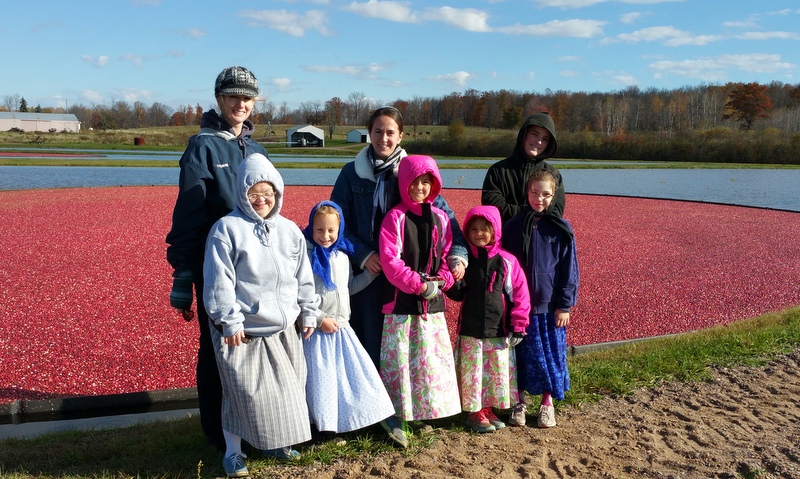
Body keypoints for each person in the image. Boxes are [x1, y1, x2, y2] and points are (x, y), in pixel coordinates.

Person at [165, 66, 268, 452]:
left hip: (255, 267)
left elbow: (269, 210)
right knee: (217, 350)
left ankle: (255, 428)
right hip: (217, 267)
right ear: (220, 99)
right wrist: (183, 271)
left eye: (248, 97)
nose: (241, 103)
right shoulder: (202, 147)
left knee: (255, 345)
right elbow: (189, 213)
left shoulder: (258, 149)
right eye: (233, 96)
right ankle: (216, 434)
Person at [203, 153, 317, 477]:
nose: (262, 199)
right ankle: (233, 453)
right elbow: (218, 280)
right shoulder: (227, 229)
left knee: (289, 393)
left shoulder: (291, 231)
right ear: (243, 194)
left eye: (268, 193)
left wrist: (308, 312)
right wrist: (229, 319)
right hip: (245, 330)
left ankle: (280, 445)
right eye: (255, 194)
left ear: (278, 193)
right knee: (242, 397)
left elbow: (303, 276)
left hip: (283, 329)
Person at [330, 106, 468, 372]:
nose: (384, 138)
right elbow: (337, 223)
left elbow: (447, 219)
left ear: (401, 135)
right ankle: (369, 405)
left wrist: (457, 257)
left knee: (399, 342)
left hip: (406, 275)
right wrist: (363, 254)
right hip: (368, 270)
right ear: (369, 133)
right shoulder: (351, 173)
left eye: (390, 132)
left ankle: (400, 401)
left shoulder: (414, 173)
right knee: (366, 337)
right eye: (378, 131)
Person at [300, 200, 403, 447]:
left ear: (339, 230)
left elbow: (349, 288)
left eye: (331, 231)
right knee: (320, 383)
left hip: (343, 328)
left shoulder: (343, 258)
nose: (325, 236)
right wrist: (319, 318)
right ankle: (323, 430)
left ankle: (361, 418)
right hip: (317, 331)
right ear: (311, 229)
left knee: (356, 375)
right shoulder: (306, 257)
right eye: (319, 230)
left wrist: (369, 275)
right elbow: (299, 294)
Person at [378, 154, 462, 432]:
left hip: (432, 304)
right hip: (402, 303)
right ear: (404, 183)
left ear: (434, 185)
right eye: (414, 182)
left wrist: (444, 280)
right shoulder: (395, 217)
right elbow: (392, 262)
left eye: (427, 182)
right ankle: (399, 415)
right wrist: (419, 285)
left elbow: (448, 254)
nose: (420, 188)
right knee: (402, 362)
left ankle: (425, 414)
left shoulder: (441, 218)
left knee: (427, 363)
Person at [502, 169, 579, 428]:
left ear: (554, 195)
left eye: (545, 194)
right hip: (519, 307)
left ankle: (547, 403)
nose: (539, 199)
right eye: (534, 192)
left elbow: (569, 270)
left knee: (550, 356)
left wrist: (564, 304)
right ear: (527, 192)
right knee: (520, 356)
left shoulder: (561, 229)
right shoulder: (512, 227)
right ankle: (519, 402)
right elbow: (504, 266)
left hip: (549, 308)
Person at [446, 205, 531, 433]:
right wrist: (449, 280)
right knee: (472, 372)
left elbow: (520, 295)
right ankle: (473, 412)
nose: (478, 234)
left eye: (484, 229)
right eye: (473, 229)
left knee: (495, 373)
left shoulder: (506, 261)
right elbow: (459, 293)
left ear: (495, 231)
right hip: (471, 329)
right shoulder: (466, 262)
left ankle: (488, 408)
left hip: (498, 330)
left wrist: (519, 325)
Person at [481, 111, 565, 224]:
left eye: (545, 139)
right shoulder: (497, 171)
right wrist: (530, 214)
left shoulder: (553, 174)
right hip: (505, 237)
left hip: (539, 237)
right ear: (524, 134)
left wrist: (530, 218)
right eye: (534, 134)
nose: (539, 142)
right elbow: (493, 208)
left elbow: (556, 211)